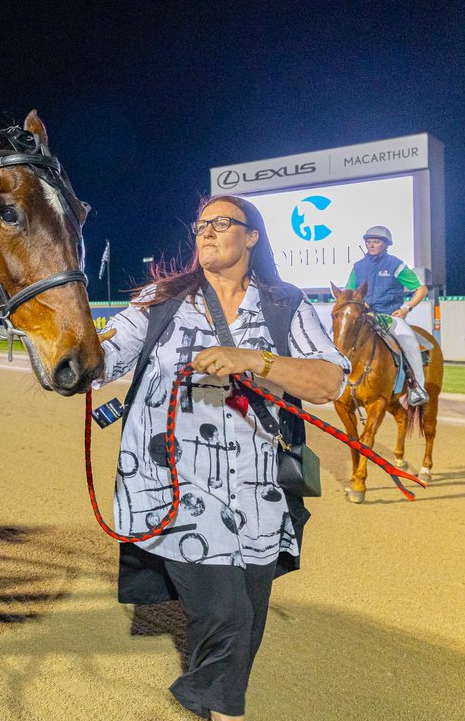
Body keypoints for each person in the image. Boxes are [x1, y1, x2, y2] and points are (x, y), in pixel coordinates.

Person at [97, 196, 348, 721]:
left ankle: (207, 699)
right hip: (175, 491)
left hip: (261, 498)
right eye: (201, 225)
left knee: (248, 623)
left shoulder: (285, 304)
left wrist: (253, 359)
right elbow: (95, 360)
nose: (206, 232)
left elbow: (328, 381)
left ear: (252, 236)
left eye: (221, 223)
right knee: (229, 617)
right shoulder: (160, 299)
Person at [344, 226, 430, 405]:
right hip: (364, 316)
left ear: (386, 244)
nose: (371, 245)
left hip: (390, 317)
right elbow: (349, 292)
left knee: (410, 343)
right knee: (335, 336)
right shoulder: (358, 267)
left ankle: (417, 389)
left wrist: (407, 308)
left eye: (375, 241)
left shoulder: (396, 265)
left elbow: (421, 290)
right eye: (368, 242)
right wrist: (358, 303)